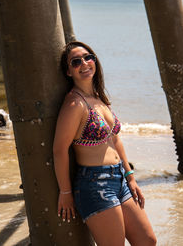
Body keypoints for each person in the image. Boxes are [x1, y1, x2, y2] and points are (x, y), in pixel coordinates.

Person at [53, 41, 157, 246]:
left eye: (87, 57)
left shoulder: (99, 97)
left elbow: (115, 139)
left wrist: (130, 176)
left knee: (148, 241)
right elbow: (59, 150)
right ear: (68, 72)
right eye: (76, 62)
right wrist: (65, 192)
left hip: (118, 179)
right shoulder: (74, 104)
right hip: (94, 185)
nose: (84, 63)